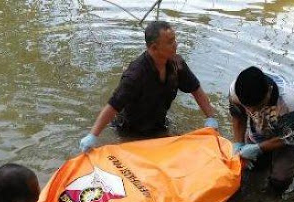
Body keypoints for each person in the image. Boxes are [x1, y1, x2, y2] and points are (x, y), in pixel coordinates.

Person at [79, 21, 218, 152]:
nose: (176, 45)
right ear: (154, 48)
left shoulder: (177, 65)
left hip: (159, 124)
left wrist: (210, 117)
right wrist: (93, 135)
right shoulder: (136, 74)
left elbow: (196, 89)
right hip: (130, 131)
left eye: (175, 40)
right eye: (170, 42)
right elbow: (113, 105)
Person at [229, 66, 294, 199]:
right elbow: (238, 117)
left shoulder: (289, 101)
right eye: (248, 107)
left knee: (280, 177)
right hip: (261, 125)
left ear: (269, 91)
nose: (252, 111)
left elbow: (291, 137)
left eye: (257, 107)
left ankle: (272, 199)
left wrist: (258, 148)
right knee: (251, 167)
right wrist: (238, 144)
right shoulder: (236, 91)